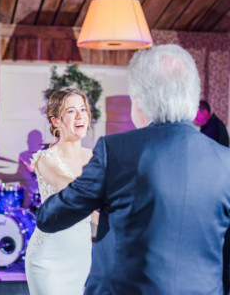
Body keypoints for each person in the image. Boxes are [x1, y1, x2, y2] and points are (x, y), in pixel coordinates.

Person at [36, 45, 230, 294]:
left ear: (139, 100)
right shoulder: (225, 162)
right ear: (192, 98)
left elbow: (49, 218)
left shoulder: (116, 151)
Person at [25, 88, 96, 295]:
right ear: (56, 121)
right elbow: (75, 194)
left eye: (83, 109)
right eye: (71, 111)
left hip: (80, 256)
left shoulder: (96, 157)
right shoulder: (46, 159)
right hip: (48, 259)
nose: (80, 115)